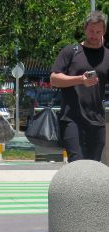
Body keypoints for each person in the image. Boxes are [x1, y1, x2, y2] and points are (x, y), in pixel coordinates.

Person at [50, 10, 109, 163]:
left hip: (97, 121)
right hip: (72, 119)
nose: (94, 35)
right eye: (91, 31)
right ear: (84, 29)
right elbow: (54, 79)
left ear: (104, 31)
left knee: (94, 167)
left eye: (98, 31)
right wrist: (80, 80)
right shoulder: (71, 51)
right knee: (77, 164)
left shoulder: (107, 56)